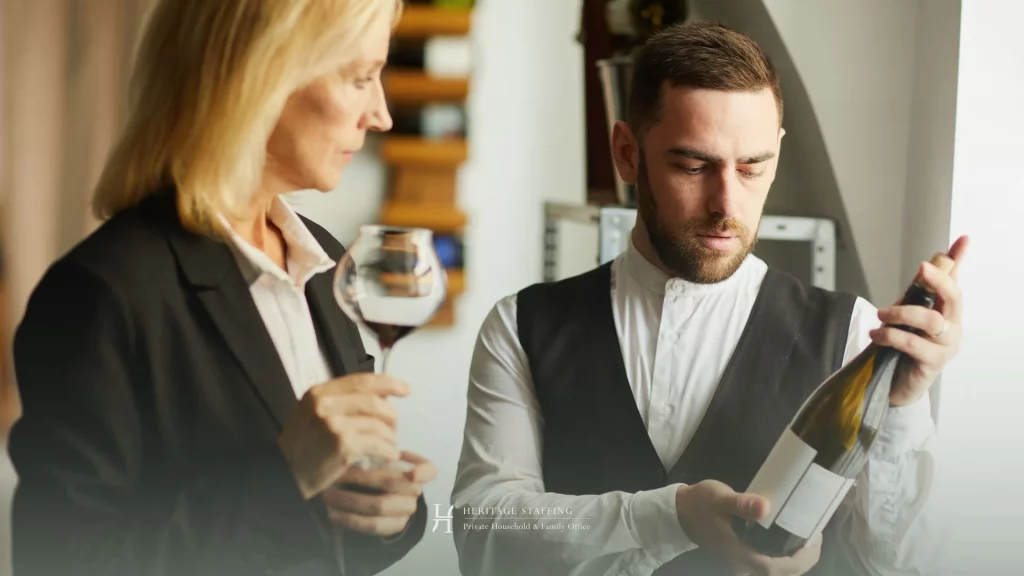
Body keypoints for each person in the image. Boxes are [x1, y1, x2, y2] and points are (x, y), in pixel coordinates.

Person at [452, 21, 966, 576]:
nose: (727, 202)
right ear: (627, 153)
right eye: (693, 166)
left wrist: (901, 410)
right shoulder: (521, 327)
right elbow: (483, 532)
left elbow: (897, 564)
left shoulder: (850, 333)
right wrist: (669, 517)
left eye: (753, 167)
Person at [8, 1, 436, 575]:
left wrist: (385, 517)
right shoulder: (98, 294)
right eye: (360, 78)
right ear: (260, 76)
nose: (381, 114)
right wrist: (285, 480)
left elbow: (326, 536)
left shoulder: (327, 261)